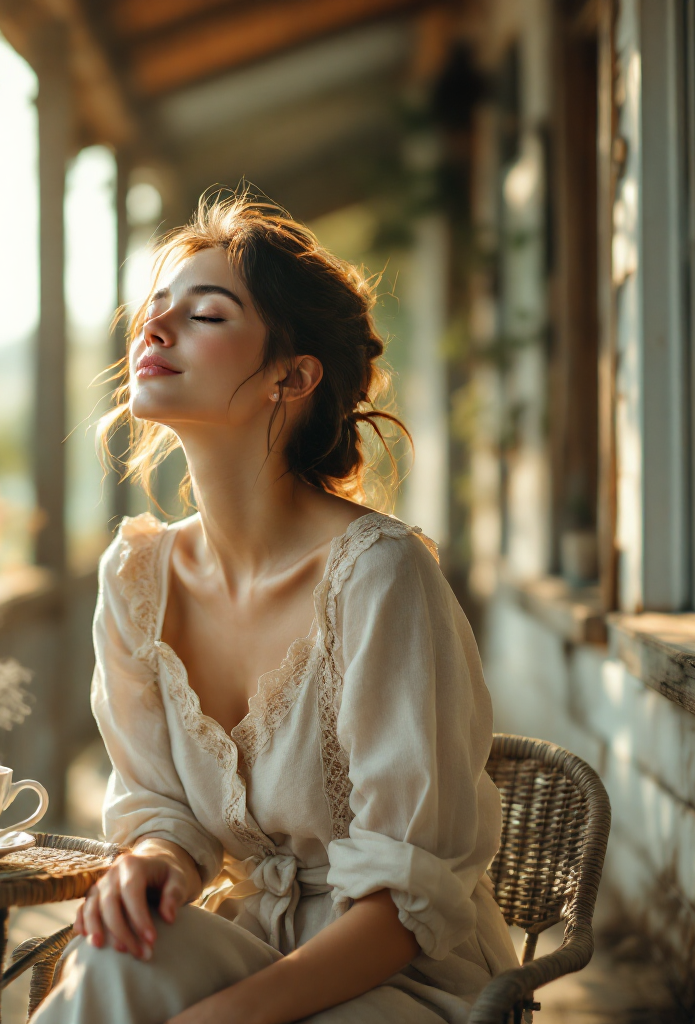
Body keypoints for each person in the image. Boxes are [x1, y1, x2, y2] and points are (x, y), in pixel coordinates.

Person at [33, 193, 518, 1024]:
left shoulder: (378, 576)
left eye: (205, 315)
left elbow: (409, 904)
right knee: (111, 954)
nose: (154, 332)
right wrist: (157, 859)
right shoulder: (138, 576)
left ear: (292, 377)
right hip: (256, 937)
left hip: (400, 977)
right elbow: (163, 810)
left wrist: (222, 1018)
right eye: (155, 313)